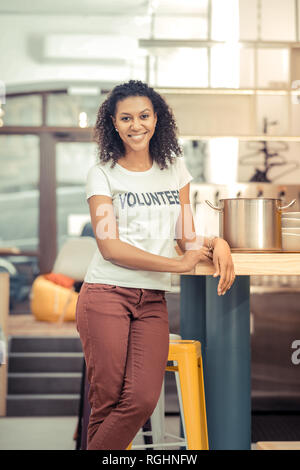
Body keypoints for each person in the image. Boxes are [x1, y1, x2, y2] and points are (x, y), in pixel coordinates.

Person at [75, 80, 235, 450]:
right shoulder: (101, 173)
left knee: (142, 400)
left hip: (151, 301)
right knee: (108, 402)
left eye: (144, 116)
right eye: (126, 118)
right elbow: (110, 246)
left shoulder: (175, 168)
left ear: (156, 118)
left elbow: (185, 235)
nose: (136, 125)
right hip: (106, 295)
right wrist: (176, 266)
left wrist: (216, 242)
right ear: (113, 124)